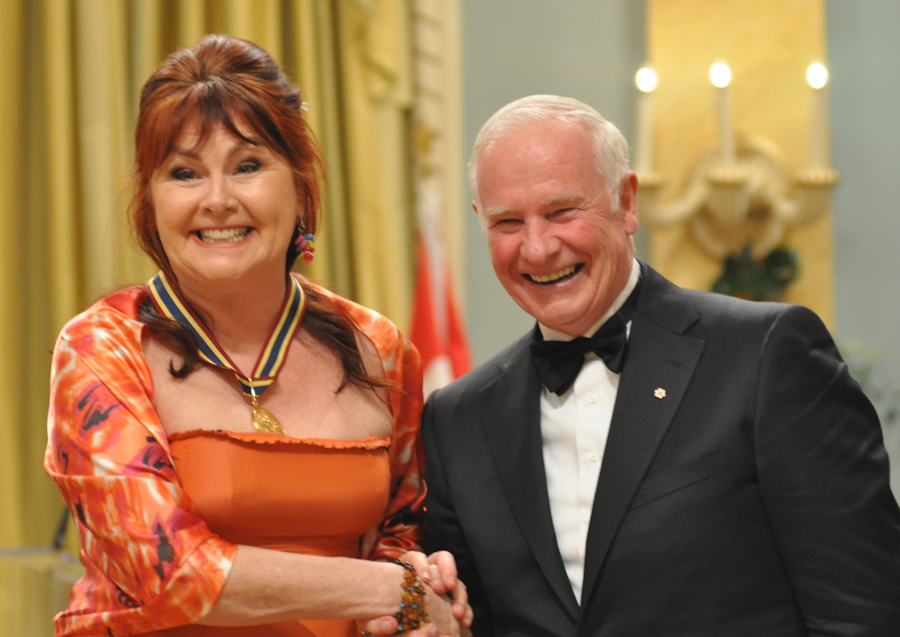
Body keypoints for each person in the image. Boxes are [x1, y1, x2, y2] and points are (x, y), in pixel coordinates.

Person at [422, 95, 900, 636]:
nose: (536, 248)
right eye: (508, 221)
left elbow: (863, 611)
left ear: (627, 203)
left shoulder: (767, 354)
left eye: (561, 212)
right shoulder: (456, 417)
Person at [45, 34, 471, 637]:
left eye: (248, 166)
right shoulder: (100, 348)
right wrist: (394, 589)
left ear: (299, 186)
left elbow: (399, 533)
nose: (218, 201)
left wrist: (422, 589)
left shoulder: (379, 347)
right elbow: (168, 573)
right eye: (185, 173)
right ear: (150, 202)